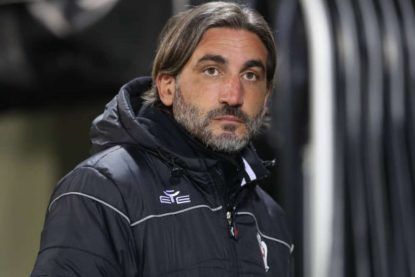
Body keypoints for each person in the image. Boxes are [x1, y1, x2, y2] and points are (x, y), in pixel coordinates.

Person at [31, 2, 293, 276]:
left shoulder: (271, 219)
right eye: (212, 70)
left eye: (251, 76)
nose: (234, 96)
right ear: (167, 87)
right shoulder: (102, 191)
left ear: (266, 99)